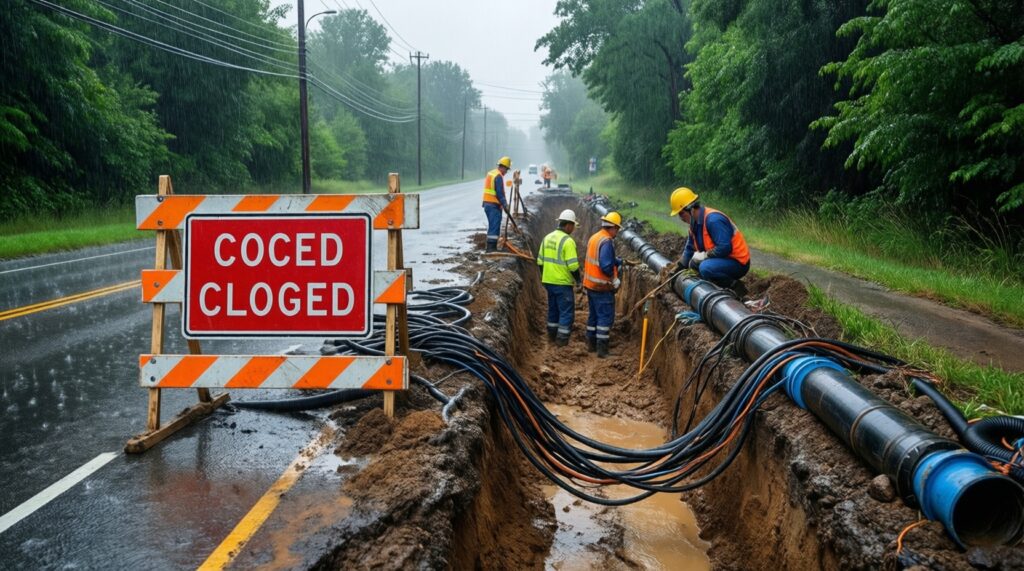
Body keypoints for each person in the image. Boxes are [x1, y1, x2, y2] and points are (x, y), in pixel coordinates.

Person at [667, 187, 750, 288]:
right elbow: (689, 249)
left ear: (691, 208)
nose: (680, 218)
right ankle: (707, 288)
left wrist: (705, 256)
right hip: (722, 260)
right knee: (693, 264)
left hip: (738, 262)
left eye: (681, 213)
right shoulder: (694, 225)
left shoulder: (713, 220)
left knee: (705, 268)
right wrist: (678, 268)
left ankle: (736, 288)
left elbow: (725, 248)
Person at [537, 209, 582, 346]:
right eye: (573, 226)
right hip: (562, 284)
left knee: (553, 309)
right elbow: (573, 266)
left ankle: (551, 336)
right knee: (566, 312)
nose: (573, 229)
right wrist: (579, 281)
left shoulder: (547, 238)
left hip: (549, 282)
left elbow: (540, 262)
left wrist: (545, 278)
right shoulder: (568, 241)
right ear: (568, 225)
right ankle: (562, 342)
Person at [583, 211, 624, 358]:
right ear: (612, 227)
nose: (617, 232)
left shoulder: (595, 237)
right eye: (617, 229)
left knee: (593, 316)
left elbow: (601, 258)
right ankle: (602, 350)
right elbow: (606, 265)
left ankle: (591, 344)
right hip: (602, 287)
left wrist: (618, 260)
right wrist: (614, 279)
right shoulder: (607, 241)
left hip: (591, 285)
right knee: (605, 318)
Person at [482, 156, 512, 252]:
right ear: (503, 167)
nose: (506, 172)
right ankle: (491, 249)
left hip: (487, 204)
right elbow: (499, 193)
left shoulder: (491, 173)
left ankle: (491, 247)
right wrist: (505, 205)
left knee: (492, 225)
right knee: (494, 226)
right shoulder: (498, 176)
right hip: (493, 205)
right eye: (506, 169)